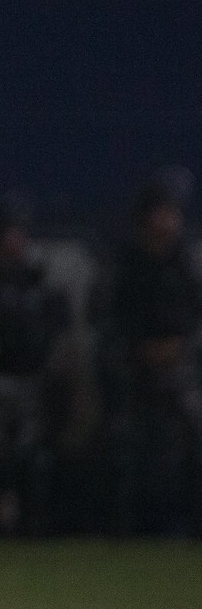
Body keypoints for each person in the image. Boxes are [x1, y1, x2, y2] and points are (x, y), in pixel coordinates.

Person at [102, 169, 202, 536]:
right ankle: (129, 529)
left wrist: (180, 349)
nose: (169, 223)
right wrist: (143, 353)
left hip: (183, 377)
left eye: (174, 214)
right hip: (133, 382)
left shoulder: (184, 267)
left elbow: (194, 323)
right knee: (131, 445)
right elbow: (111, 327)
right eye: (162, 213)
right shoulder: (126, 266)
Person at [0, 197, 74, 534]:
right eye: (9, 232)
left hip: (32, 381)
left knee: (33, 455)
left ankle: (31, 523)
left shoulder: (36, 278)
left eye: (20, 232)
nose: (16, 239)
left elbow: (61, 320)